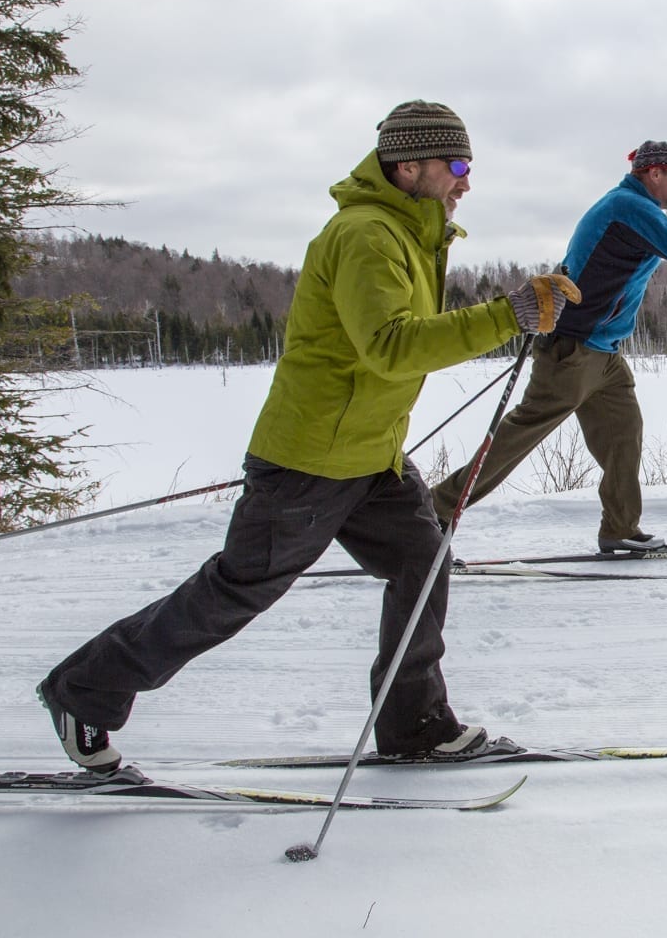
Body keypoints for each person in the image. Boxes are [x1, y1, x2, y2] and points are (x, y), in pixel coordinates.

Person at [36, 100, 579, 771]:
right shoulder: (366, 236)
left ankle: (414, 723)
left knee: (423, 558)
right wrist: (509, 315)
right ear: (408, 165)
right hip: (310, 460)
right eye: (456, 164)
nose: (467, 180)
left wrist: (511, 314)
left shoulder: (412, 234)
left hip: (371, 455)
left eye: (469, 165)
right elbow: (388, 346)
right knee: (237, 590)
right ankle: (84, 691)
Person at [431, 140, 667, 553]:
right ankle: (434, 510)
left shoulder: (635, 209)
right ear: (655, 174)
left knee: (623, 434)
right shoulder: (629, 207)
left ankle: (621, 529)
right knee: (518, 437)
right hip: (573, 350)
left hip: (604, 354)